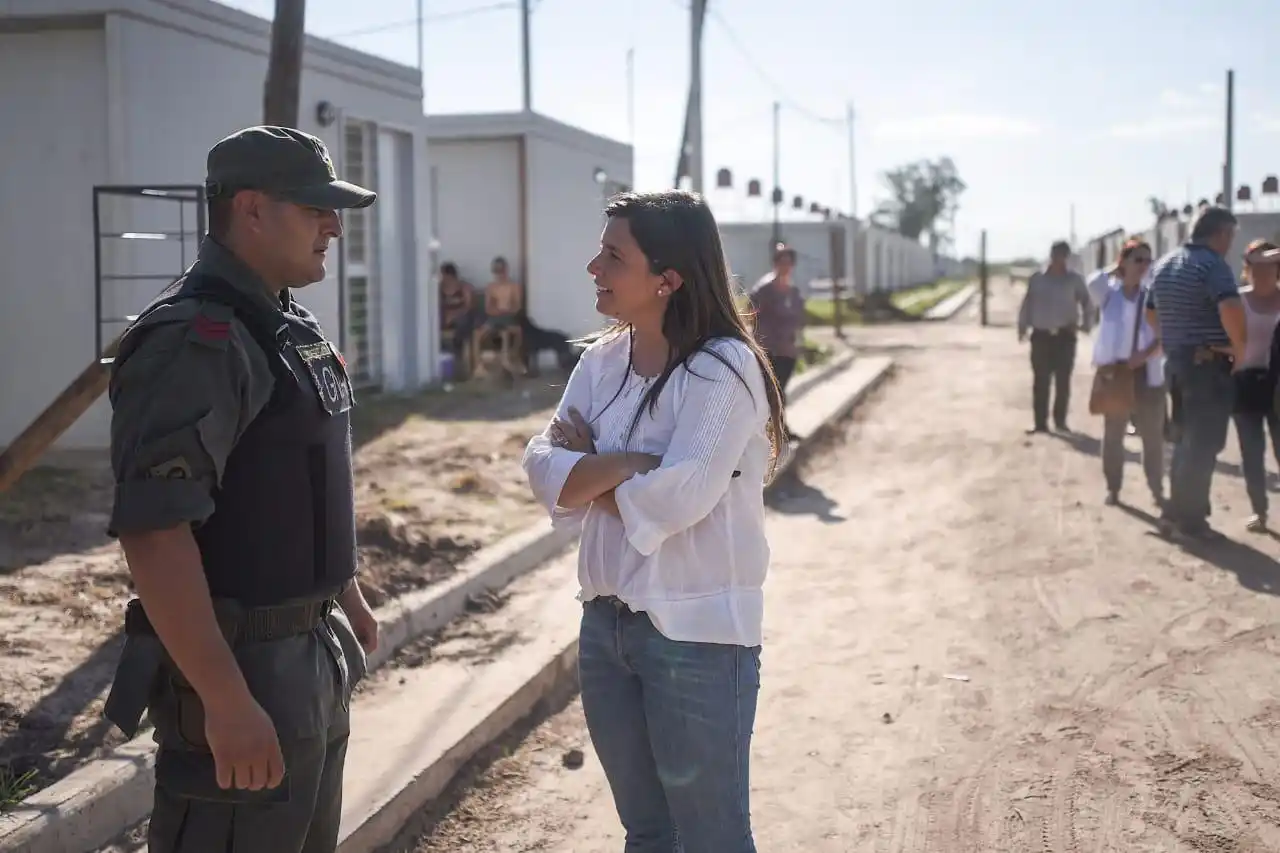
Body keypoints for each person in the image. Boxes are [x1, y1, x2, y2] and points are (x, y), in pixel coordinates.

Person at [102, 126, 380, 853]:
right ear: (252, 209)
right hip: (244, 668)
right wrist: (224, 699)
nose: (333, 226)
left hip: (308, 654)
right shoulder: (195, 341)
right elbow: (156, 531)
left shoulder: (283, 323)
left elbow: (297, 470)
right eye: (315, 208)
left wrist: (343, 591)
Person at [521, 190, 785, 852]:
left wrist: (591, 472)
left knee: (712, 838)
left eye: (613, 256)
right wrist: (632, 465)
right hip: (605, 627)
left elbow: (681, 499)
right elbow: (541, 465)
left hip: (697, 635)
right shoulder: (600, 361)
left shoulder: (723, 367)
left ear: (668, 279)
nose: (593, 268)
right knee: (647, 834)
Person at [1147, 205, 1245, 541]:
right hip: (1207, 367)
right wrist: (1239, 346)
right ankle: (1190, 522)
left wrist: (1171, 338)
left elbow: (1150, 312)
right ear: (1220, 233)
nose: (1230, 244)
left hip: (1177, 365)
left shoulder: (1164, 265)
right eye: (1230, 236)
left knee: (1183, 440)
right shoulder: (1212, 265)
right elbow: (1230, 306)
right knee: (1202, 445)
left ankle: (1176, 512)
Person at [1087, 238, 1164, 507]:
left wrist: (1144, 354)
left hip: (1147, 373)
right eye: (1138, 260)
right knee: (1113, 434)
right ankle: (1113, 487)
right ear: (1124, 262)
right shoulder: (1110, 295)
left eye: (1148, 261)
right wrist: (1117, 269)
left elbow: (1164, 335)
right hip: (1116, 374)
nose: (1144, 265)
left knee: (1153, 437)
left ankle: (1156, 490)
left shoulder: (1154, 296)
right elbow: (1092, 282)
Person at [1017, 240, 1094, 433]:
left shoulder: (1074, 280)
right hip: (1041, 336)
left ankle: (1060, 421)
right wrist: (1022, 326)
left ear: (1067, 257)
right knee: (1040, 381)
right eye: (1055, 255)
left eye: (1062, 256)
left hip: (1065, 336)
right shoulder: (1037, 279)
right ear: (1051, 256)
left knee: (1063, 381)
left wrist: (1086, 324)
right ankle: (1040, 423)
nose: (1058, 260)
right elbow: (1027, 303)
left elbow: (1087, 303)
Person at [1230, 240, 1280, 531]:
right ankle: (1259, 511)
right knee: (1251, 452)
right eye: (1257, 267)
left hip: (1277, 385)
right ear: (1248, 269)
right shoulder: (1237, 301)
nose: (1263, 274)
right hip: (1244, 383)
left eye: (1270, 267)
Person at [748, 242, 806, 440]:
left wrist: (799, 341)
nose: (785, 266)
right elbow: (750, 313)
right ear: (775, 263)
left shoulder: (793, 291)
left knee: (780, 390)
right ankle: (776, 432)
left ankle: (779, 429)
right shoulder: (764, 289)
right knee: (773, 391)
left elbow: (799, 319)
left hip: (788, 350)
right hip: (769, 349)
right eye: (781, 262)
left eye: (788, 262)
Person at [476, 255, 525, 374]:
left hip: (509, 317)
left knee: (516, 332)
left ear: (506, 270)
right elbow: (488, 308)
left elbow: (517, 306)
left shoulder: (514, 286)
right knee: (477, 334)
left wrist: (505, 311)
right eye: (496, 271)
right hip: (495, 317)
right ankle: (478, 365)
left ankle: (513, 360)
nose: (499, 274)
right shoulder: (491, 287)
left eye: (501, 270)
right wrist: (497, 312)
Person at [439, 261, 478, 374]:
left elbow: (469, 306)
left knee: (463, 321)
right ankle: (443, 353)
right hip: (446, 318)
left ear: (449, 275)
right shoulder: (439, 289)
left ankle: (458, 350)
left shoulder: (464, 287)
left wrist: (454, 315)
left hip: (462, 316)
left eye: (443, 275)